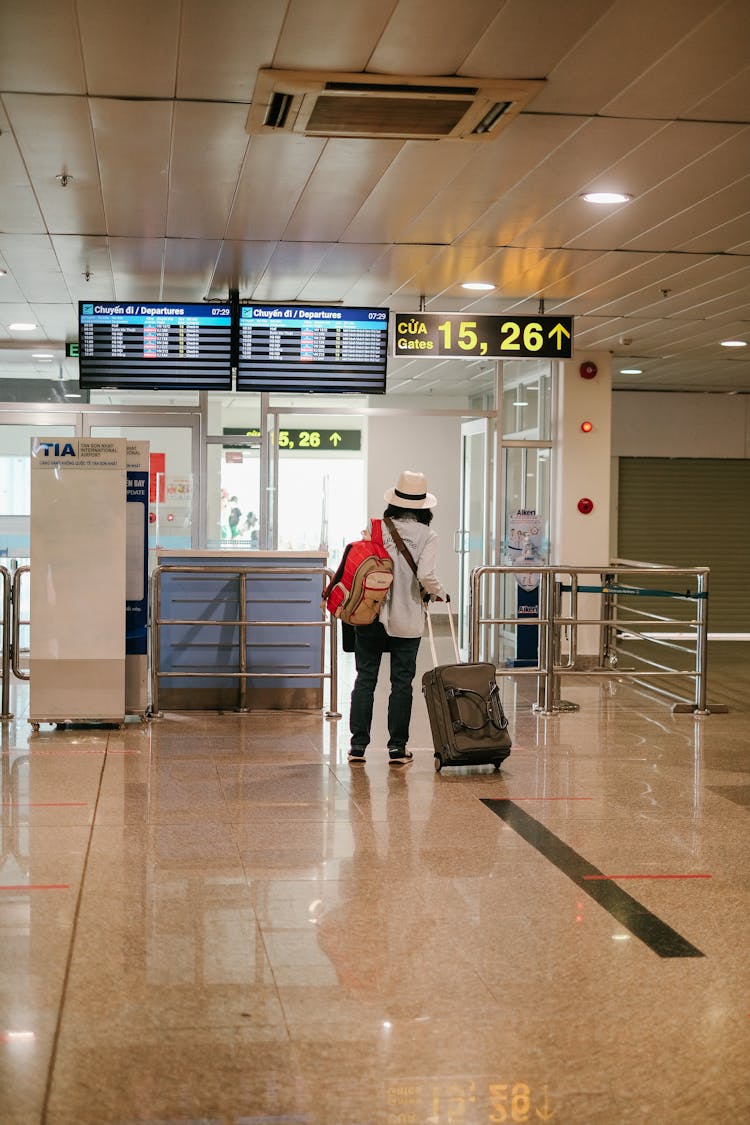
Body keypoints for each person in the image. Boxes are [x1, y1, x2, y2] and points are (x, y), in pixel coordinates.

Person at [348, 470, 446, 767]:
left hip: (370, 614)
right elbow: (427, 576)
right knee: (401, 683)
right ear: (424, 506)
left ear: (394, 501)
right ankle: (397, 749)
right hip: (407, 618)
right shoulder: (428, 535)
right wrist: (440, 593)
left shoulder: (377, 527)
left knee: (365, 679)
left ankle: (357, 747)